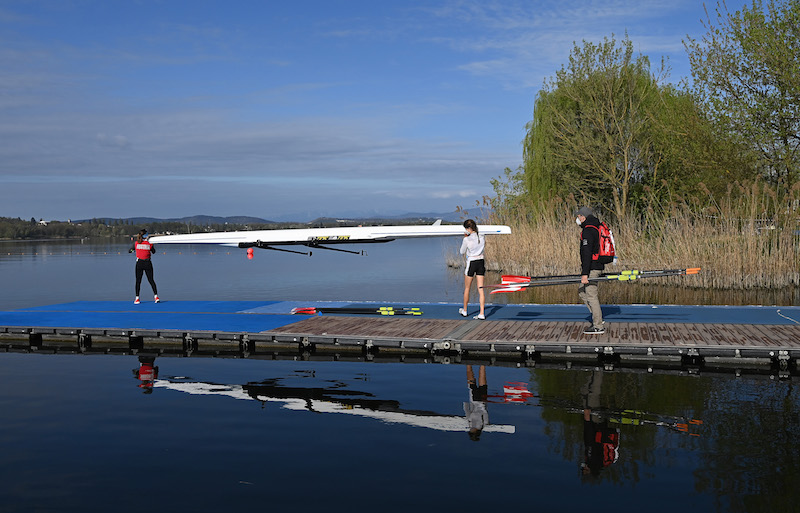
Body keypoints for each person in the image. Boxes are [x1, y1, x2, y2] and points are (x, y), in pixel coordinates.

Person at [575, 207, 605, 334]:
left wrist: (585, 274)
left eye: (578, 217)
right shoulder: (596, 227)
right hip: (596, 265)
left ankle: (598, 326)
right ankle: (597, 316)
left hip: (592, 268)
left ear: (583, 217)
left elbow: (587, 254)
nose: (577, 219)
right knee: (582, 291)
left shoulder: (588, 230)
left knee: (591, 295)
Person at [459, 219, 486, 320]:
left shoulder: (467, 240)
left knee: (467, 288)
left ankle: (465, 310)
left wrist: (466, 238)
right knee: (481, 289)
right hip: (481, 261)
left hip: (471, 262)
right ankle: (482, 313)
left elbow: (462, 252)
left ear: (468, 228)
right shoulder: (482, 237)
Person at [129, 228, 159, 304]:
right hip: (147, 263)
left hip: (139, 263)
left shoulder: (136, 243)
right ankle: (156, 297)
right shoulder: (149, 244)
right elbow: (154, 252)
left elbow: (130, 250)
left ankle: (137, 298)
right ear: (146, 236)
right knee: (151, 280)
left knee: (138, 281)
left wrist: (133, 250)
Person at [464, 365, 488, 441]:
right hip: (475, 401)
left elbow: (485, 413)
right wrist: (465, 405)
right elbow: (467, 412)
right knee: (471, 383)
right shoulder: (472, 424)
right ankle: (468, 364)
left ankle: (482, 365)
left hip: (482, 402)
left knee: (482, 384)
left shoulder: (483, 424)